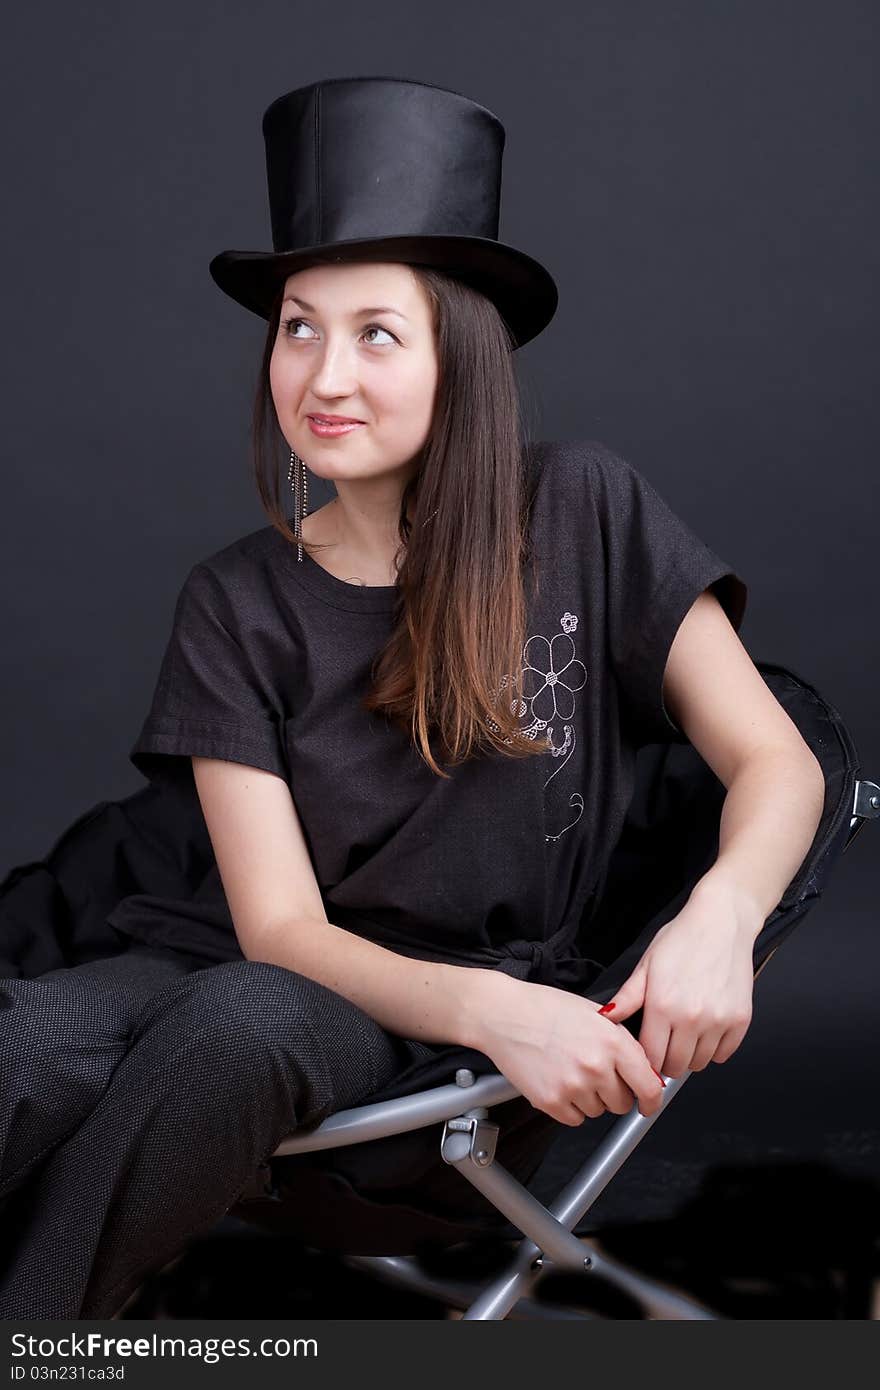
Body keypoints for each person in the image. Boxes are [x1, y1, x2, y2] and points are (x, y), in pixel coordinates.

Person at [0, 77, 824, 1320]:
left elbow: (780, 759)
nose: (322, 374)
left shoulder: (581, 509)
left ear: (459, 354)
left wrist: (719, 917)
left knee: (234, 1029)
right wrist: (507, 1015)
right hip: (252, 957)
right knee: (21, 1045)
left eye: (375, 332)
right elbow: (276, 927)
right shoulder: (234, 598)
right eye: (296, 326)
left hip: (388, 1025)